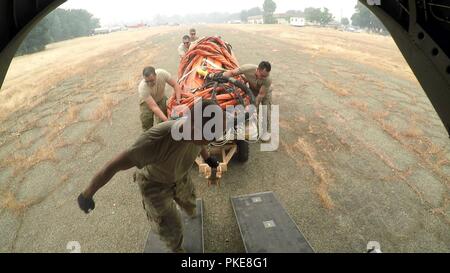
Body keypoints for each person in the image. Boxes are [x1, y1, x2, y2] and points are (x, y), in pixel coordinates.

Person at [78, 99, 223, 253]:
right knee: (171, 226)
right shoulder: (155, 141)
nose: (210, 140)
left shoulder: (197, 132)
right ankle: (176, 249)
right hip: (154, 184)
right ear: (192, 125)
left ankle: (187, 211)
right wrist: (87, 194)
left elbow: (199, 144)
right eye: (208, 137)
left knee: (190, 202)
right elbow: (113, 166)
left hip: (179, 175)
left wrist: (207, 158)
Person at [223, 61, 273, 141]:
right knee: (247, 108)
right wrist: (222, 77)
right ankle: (250, 126)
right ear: (257, 70)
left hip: (265, 93)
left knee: (265, 110)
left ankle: (265, 132)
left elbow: (261, 95)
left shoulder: (268, 79)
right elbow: (232, 72)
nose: (264, 78)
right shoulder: (248, 68)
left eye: (266, 76)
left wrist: (253, 106)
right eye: (262, 75)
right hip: (252, 90)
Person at [138, 66, 182, 131]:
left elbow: (175, 84)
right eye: (147, 81)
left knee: (162, 122)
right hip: (147, 103)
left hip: (160, 98)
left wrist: (178, 101)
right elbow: (154, 107)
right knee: (146, 121)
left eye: (151, 80)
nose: (149, 83)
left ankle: (163, 133)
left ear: (156, 75)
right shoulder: (142, 88)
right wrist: (168, 122)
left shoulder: (162, 74)